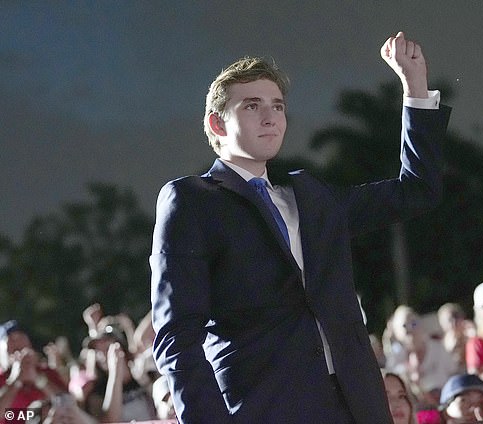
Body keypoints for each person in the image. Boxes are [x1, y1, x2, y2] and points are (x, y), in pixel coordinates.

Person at [150, 31, 450, 424]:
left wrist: (415, 87)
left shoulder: (311, 196)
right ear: (217, 124)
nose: (270, 115)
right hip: (265, 407)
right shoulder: (191, 200)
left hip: (358, 404)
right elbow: (177, 338)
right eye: (252, 105)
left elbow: (417, 190)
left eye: (277, 105)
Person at [385, 305, 457, 407]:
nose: (410, 330)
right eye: (404, 326)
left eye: (414, 324)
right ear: (397, 333)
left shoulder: (438, 349)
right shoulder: (395, 359)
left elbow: (453, 375)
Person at [0, 321, 67, 423]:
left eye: (21, 339)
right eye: (11, 341)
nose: (17, 343)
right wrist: (15, 380)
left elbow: (68, 406)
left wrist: (39, 380)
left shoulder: (47, 373)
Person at [437, 302, 474, 374]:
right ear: (442, 324)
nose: (454, 323)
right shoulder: (441, 344)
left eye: (456, 317)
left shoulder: (470, 334)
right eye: (449, 320)